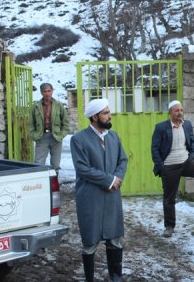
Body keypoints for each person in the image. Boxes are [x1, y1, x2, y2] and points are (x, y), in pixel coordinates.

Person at [70, 99, 128, 282]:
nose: (109, 116)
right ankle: (89, 278)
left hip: (112, 197)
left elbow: (123, 160)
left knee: (115, 239)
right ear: (94, 117)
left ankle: (116, 276)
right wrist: (108, 179)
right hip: (90, 198)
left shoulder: (113, 137)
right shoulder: (78, 139)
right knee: (90, 242)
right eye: (105, 113)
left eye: (108, 112)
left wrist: (117, 179)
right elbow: (82, 168)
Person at [151, 100, 194, 238]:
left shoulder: (187, 125)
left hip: (186, 162)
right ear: (170, 113)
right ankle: (169, 226)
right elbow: (154, 149)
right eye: (176, 110)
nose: (180, 113)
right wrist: (162, 167)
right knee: (169, 198)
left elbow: (192, 141)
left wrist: (191, 157)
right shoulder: (161, 127)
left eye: (181, 110)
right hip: (169, 166)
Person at [28, 83, 69, 171]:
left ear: (52, 91)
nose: (47, 93)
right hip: (41, 137)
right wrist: (34, 136)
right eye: (45, 91)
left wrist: (61, 135)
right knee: (38, 164)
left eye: (49, 91)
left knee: (55, 165)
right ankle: (39, 183)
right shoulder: (35, 107)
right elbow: (30, 124)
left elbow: (65, 123)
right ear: (41, 92)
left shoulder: (59, 105)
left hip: (56, 137)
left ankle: (54, 183)